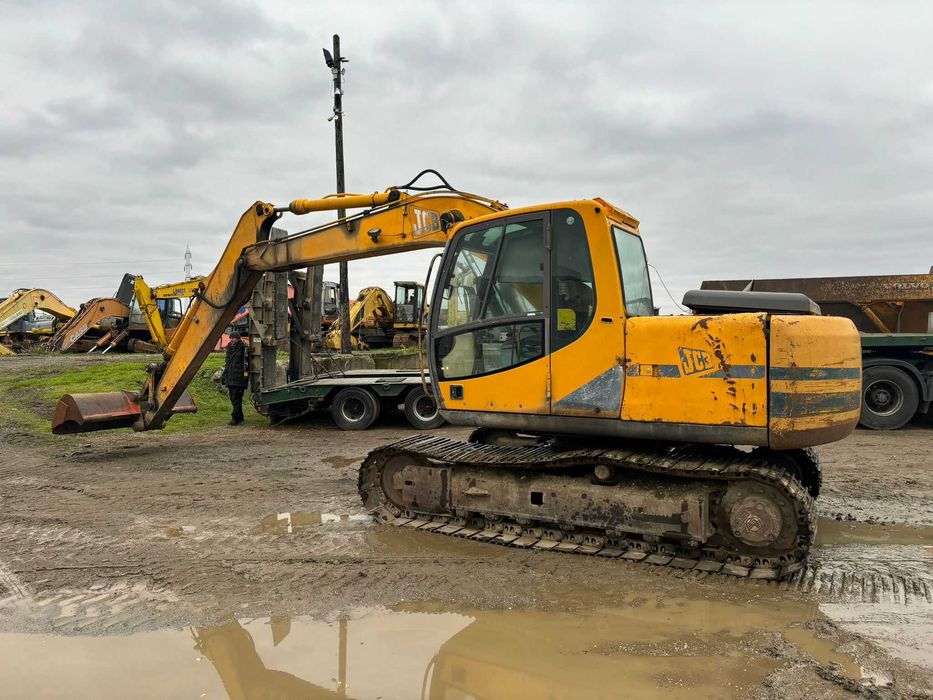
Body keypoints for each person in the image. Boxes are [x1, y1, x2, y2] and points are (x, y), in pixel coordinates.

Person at [221, 330, 249, 425]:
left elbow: (246, 363)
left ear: (238, 338)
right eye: (231, 338)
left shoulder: (243, 348)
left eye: (234, 338)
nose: (232, 339)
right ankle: (240, 417)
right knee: (233, 399)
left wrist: (245, 377)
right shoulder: (229, 348)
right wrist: (224, 376)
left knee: (236, 398)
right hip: (230, 377)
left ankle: (235, 418)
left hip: (239, 378)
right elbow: (227, 364)